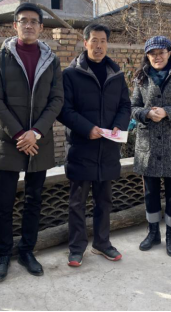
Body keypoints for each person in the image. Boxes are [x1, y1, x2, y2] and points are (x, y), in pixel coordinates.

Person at [0, 3, 64, 282]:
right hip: (9, 140)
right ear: (14, 25)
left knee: (34, 200)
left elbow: (57, 100)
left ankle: (27, 251)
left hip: (39, 141)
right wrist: (20, 134)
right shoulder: (1, 58)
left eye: (33, 21)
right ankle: (3, 255)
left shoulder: (51, 60)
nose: (28, 25)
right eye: (23, 21)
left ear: (41, 27)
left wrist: (36, 132)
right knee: (4, 203)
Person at [59, 23, 132, 268]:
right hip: (81, 147)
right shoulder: (71, 74)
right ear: (85, 43)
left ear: (107, 44)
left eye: (103, 41)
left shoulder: (116, 74)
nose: (98, 45)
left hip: (108, 148)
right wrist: (86, 128)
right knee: (77, 203)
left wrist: (119, 126)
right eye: (94, 40)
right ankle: (76, 248)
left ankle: (102, 243)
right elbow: (64, 110)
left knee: (104, 201)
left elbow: (125, 105)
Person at [131, 36, 171, 257]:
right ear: (147, 56)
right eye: (152, 53)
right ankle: (153, 233)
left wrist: (167, 112)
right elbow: (133, 107)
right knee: (150, 192)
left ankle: (170, 236)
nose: (157, 57)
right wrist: (147, 113)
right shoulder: (141, 77)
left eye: (161, 52)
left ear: (169, 52)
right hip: (148, 143)